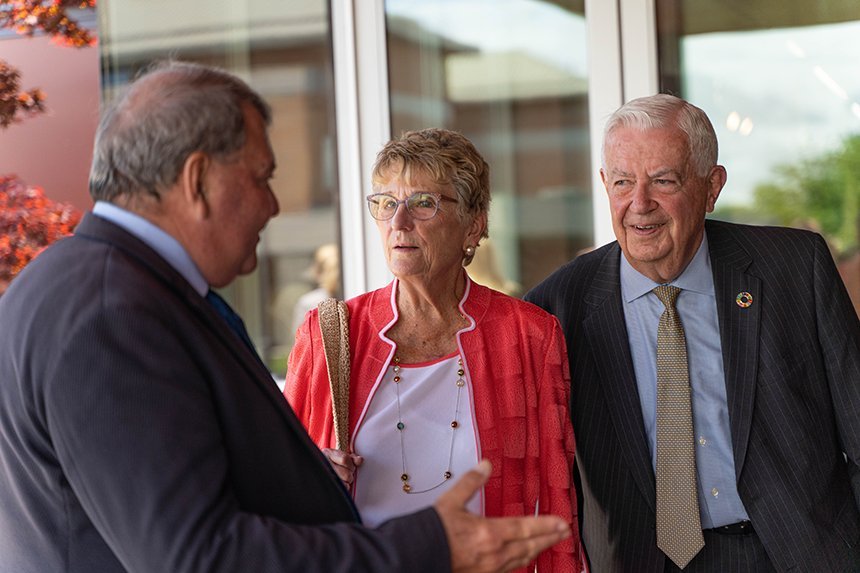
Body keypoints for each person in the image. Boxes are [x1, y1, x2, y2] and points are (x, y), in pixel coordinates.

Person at [0, 61, 571, 573]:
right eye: (262, 177)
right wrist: (429, 547)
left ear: (474, 224)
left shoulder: (100, 286)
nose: (273, 205)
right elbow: (199, 556)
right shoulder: (110, 312)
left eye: (423, 204)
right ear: (199, 181)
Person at [525, 92, 860, 572]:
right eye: (623, 182)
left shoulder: (794, 268)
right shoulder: (555, 309)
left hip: (796, 554)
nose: (639, 204)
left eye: (663, 180)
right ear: (604, 183)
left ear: (711, 185)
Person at [285, 128, 581, 572]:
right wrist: (314, 476)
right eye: (386, 203)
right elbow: (274, 483)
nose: (398, 223)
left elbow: (557, 500)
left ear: (473, 223)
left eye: (423, 203)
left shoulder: (528, 336)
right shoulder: (331, 335)